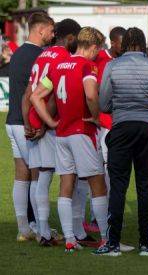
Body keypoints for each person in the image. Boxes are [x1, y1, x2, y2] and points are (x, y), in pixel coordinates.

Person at [95, 27, 148, 257]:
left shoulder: (112, 66)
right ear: (143, 44)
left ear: (125, 43)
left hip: (120, 127)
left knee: (118, 186)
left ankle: (113, 243)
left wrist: (118, 108)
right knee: (145, 186)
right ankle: (145, 244)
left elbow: (103, 103)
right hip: (146, 128)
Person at [31, 27, 109, 253]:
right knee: (97, 184)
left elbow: (36, 95)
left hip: (62, 133)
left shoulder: (57, 66)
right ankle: (105, 238)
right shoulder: (87, 65)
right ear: (93, 47)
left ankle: (69, 239)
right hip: (82, 132)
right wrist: (95, 116)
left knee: (66, 183)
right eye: (98, 49)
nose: (97, 54)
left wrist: (51, 121)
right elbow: (91, 94)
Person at [22, 18, 81, 247]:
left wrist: (28, 122)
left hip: (35, 119)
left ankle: (42, 230)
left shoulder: (42, 55)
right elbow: (55, 95)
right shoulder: (65, 58)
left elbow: (28, 92)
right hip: (48, 123)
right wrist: (46, 123)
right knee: (49, 176)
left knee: (39, 177)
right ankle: (45, 233)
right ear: (69, 38)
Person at [5, 12, 54, 242]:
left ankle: (24, 228)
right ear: (41, 30)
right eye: (51, 31)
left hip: (11, 122)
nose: (52, 36)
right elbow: (32, 95)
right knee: (37, 176)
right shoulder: (40, 56)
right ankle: (39, 229)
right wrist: (34, 123)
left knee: (21, 176)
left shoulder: (17, 54)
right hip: (26, 125)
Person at [81, 26, 126, 233]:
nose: (124, 47)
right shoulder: (96, 59)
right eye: (121, 43)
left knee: (110, 170)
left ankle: (107, 214)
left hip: (113, 124)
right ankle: (91, 217)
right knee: (92, 172)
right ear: (113, 42)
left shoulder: (124, 61)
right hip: (95, 124)